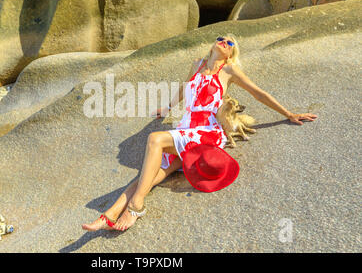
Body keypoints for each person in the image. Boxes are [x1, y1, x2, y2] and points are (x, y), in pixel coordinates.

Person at [82, 33, 318, 232]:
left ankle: (136, 206)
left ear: (231, 53)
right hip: (185, 131)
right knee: (149, 175)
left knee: (155, 139)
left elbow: (259, 93)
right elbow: (185, 88)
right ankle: (109, 215)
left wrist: (288, 113)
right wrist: (167, 108)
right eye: (221, 39)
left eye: (229, 43)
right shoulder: (197, 64)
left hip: (206, 132)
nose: (224, 42)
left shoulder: (229, 71)